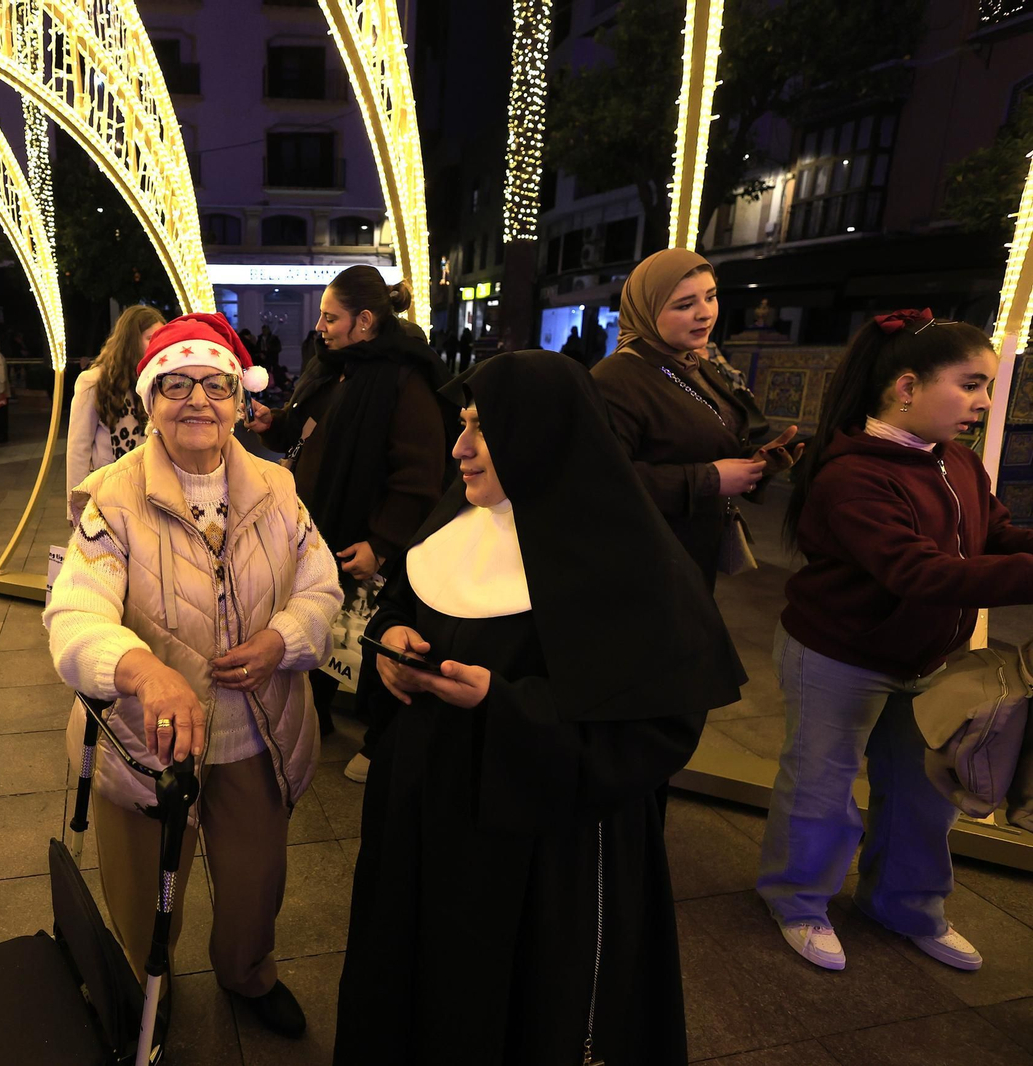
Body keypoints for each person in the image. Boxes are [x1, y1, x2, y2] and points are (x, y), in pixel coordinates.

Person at [334, 352, 745, 1064]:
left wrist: (502, 704)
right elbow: (408, 597)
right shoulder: (453, 519)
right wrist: (388, 642)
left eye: (483, 430)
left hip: (544, 848)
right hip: (425, 814)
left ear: (544, 435)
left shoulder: (628, 561)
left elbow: (655, 730)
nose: (459, 449)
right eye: (462, 425)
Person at [47, 313, 343, 1041]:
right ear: (149, 400)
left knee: (254, 884)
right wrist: (143, 670)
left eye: (214, 384)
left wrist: (283, 639)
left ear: (241, 401)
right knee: (143, 893)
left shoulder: (278, 488)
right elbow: (74, 614)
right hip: (147, 741)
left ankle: (248, 973)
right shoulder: (110, 497)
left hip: (257, 730)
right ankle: (148, 987)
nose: (196, 401)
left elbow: (321, 588)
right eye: (175, 385)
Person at [758, 309, 1033, 974]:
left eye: (988, 386)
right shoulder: (853, 474)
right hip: (837, 655)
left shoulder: (959, 462)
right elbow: (918, 572)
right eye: (970, 384)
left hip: (929, 662)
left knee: (924, 794)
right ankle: (798, 902)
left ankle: (907, 907)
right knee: (820, 789)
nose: (983, 402)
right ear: (905, 387)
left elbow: (993, 534)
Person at [246, 265, 448, 779]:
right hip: (319, 529)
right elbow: (306, 429)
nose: (320, 326)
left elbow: (418, 475)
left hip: (362, 542)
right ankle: (315, 721)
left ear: (364, 320)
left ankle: (381, 743)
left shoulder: (404, 380)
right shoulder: (334, 367)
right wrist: (275, 424)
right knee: (325, 626)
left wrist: (380, 544)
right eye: (320, 315)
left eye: (330, 317)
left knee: (371, 635)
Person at [591, 248, 799, 592]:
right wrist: (711, 479)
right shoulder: (617, 378)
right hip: (643, 565)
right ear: (646, 310)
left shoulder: (694, 363)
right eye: (684, 305)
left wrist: (755, 462)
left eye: (711, 297)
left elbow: (704, 436)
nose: (705, 314)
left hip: (691, 553)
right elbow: (603, 481)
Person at [66, 305, 164, 492]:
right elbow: (78, 448)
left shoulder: (158, 381)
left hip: (149, 489)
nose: (156, 346)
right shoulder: (94, 381)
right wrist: (77, 504)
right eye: (150, 338)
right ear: (131, 341)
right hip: (107, 490)